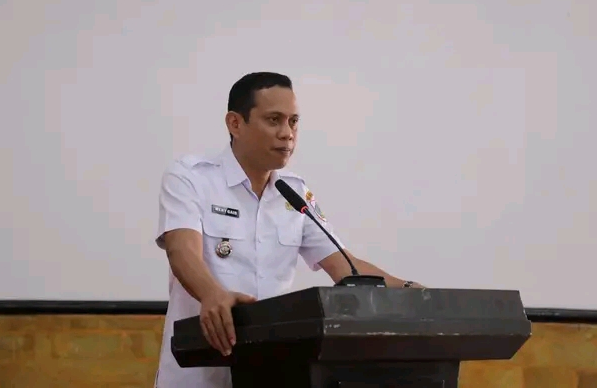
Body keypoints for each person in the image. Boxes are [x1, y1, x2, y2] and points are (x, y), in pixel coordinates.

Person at [153, 72, 424, 387]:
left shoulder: (294, 194)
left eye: (293, 122)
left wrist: (411, 291)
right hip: (198, 371)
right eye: (274, 120)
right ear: (235, 123)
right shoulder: (190, 178)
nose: (287, 134)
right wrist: (212, 294)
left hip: (270, 372)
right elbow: (181, 250)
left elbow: (346, 268)